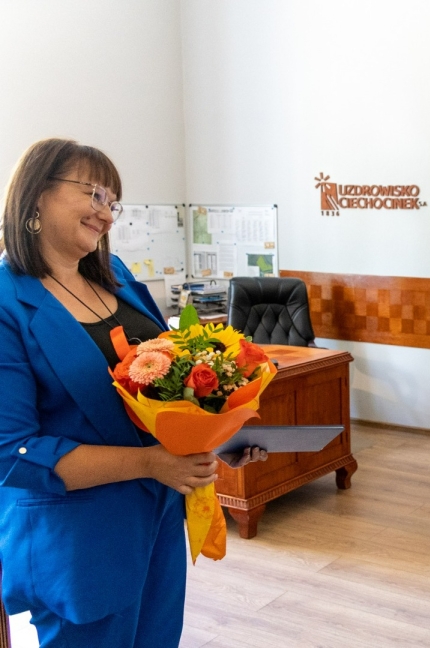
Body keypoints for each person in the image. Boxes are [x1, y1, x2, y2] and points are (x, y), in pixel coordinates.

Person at [0, 138, 266, 647]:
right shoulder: (7, 302)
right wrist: (150, 463)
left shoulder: (115, 275)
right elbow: (12, 453)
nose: (106, 213)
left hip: (157, 513)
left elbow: (167, 381)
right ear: (36, 193)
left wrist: (213, 433)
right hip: (80, 538)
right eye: (93, 194)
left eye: (112, 202)